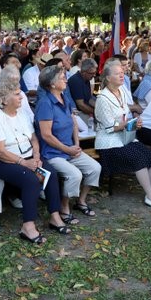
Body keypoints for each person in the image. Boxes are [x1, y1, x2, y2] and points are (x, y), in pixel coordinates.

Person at [0, 83, 72, 244]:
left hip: (29, 156)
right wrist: (24, 163)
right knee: (31, 180)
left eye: (21, 94)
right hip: (3, 160)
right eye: (17, 94)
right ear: (4, 100)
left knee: (51, 173)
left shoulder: (22, 114)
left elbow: (33, 138)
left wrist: (37, 156)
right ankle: (28, 226)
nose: (21, 97)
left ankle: (54, 216)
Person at [95, 61, 151, 212]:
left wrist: (134, 122)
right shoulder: (102, 98)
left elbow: (124, 117)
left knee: (148, 154)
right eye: (117, 74)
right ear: (108, 78)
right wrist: (131, 123)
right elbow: (111, 127)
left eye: (122, 72)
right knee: (138, 158)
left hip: (124, 137)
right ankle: (150, 196)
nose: (122, 75)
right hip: (109, 143)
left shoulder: (121, 91)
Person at [35, 65, 101, 223]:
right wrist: (68, 149)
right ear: (51, 84)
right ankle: (64, 207)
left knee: (95, 168)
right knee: (75, 175)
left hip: (69, 149)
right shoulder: (45, 103)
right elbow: (46, 135)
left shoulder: (64, 96)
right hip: (52, 153)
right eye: (61, 77)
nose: (66, 79)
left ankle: (81, 201)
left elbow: (73, 121)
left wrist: (76, 145)